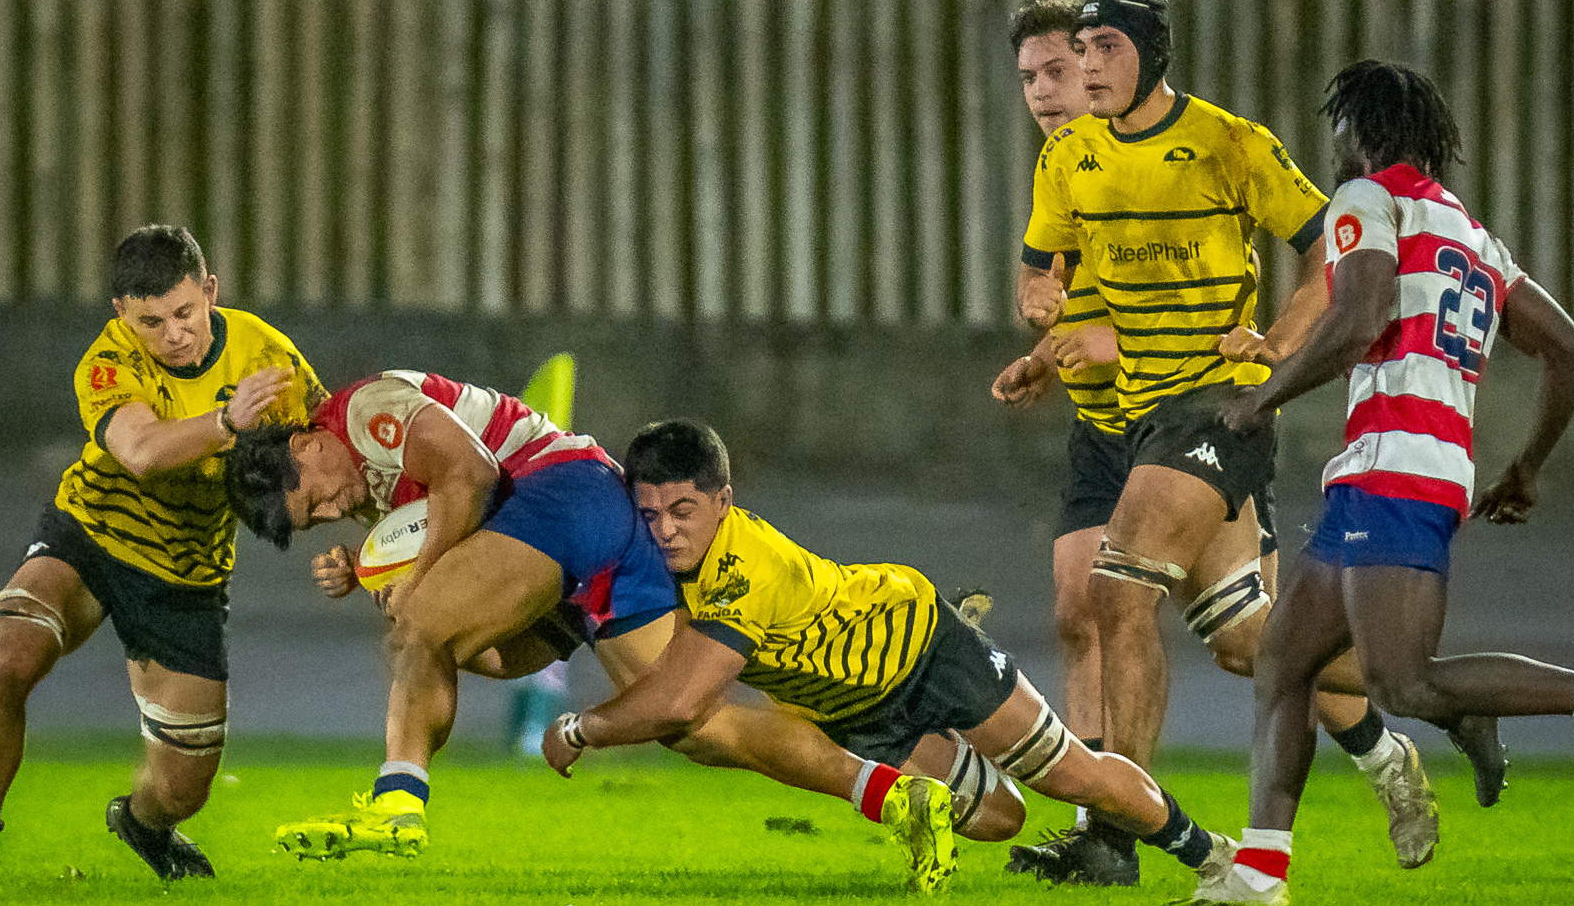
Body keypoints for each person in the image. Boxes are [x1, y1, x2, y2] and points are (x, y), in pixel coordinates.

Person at [1192, 61, 1574, 906]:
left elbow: (1359, 317)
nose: (1334, 144)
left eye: (1339, 128)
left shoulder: (1367, 199)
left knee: (1404, 683)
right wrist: (1526, 466)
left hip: (1396, 466)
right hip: (1397, 469)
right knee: (1285, 659)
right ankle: (1260, 872)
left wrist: (1263, 397)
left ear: (1361, 131)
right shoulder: (1470, 233)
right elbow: (1568, 349)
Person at [224, 372, 1025, 875]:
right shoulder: (360, 478)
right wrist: (371, 570)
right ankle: (895, 794)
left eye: (314, 496)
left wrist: (418, 582)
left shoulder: (366, 409)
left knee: (421, 625)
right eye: (316, 519)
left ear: (307, 442)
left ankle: (398, 802)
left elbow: (468, 474)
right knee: (692, 722)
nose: (330, 509)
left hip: (567, 497)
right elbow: (434, 548)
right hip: (583, 542)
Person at [1001, 0, 1437, 885]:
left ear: (1145, 56)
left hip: (1213, 408)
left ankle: (1117, 832)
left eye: (1087, 56)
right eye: (1044, 69)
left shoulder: (1228, 142)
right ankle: (1411, 715)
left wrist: (1276, 346)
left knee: (1117, 593)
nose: (1062, 81)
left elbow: (1328, 255)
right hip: (1116, 422)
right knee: (1242, 642)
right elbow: (1045, 274)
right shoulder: (1068, 161)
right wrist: (1043, 329)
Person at [541, 419, 1240, 896]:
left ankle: (1213, 856)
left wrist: (580, 728)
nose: (666, 530)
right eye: (651, 514)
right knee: (1001, 819)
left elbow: (680, 703)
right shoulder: (667, 563)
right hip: (858, 711)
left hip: (922, 646)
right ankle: (962, 740)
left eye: (683, 511)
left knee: (1072, 776)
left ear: (724, 501)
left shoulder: (738, 569)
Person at [0, 225, 324, 882]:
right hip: (92, 536)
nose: (174, 335)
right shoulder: (107, 360)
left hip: (186, 573)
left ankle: (142, 823)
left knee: (181, 790)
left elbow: (328, 443)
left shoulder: (265, 353)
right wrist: (227, 422)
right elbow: (140, 450)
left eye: (185, 313)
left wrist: (370, 542)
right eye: (151, 322)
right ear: (121, 313)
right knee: (11, 649)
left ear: (210, 291)